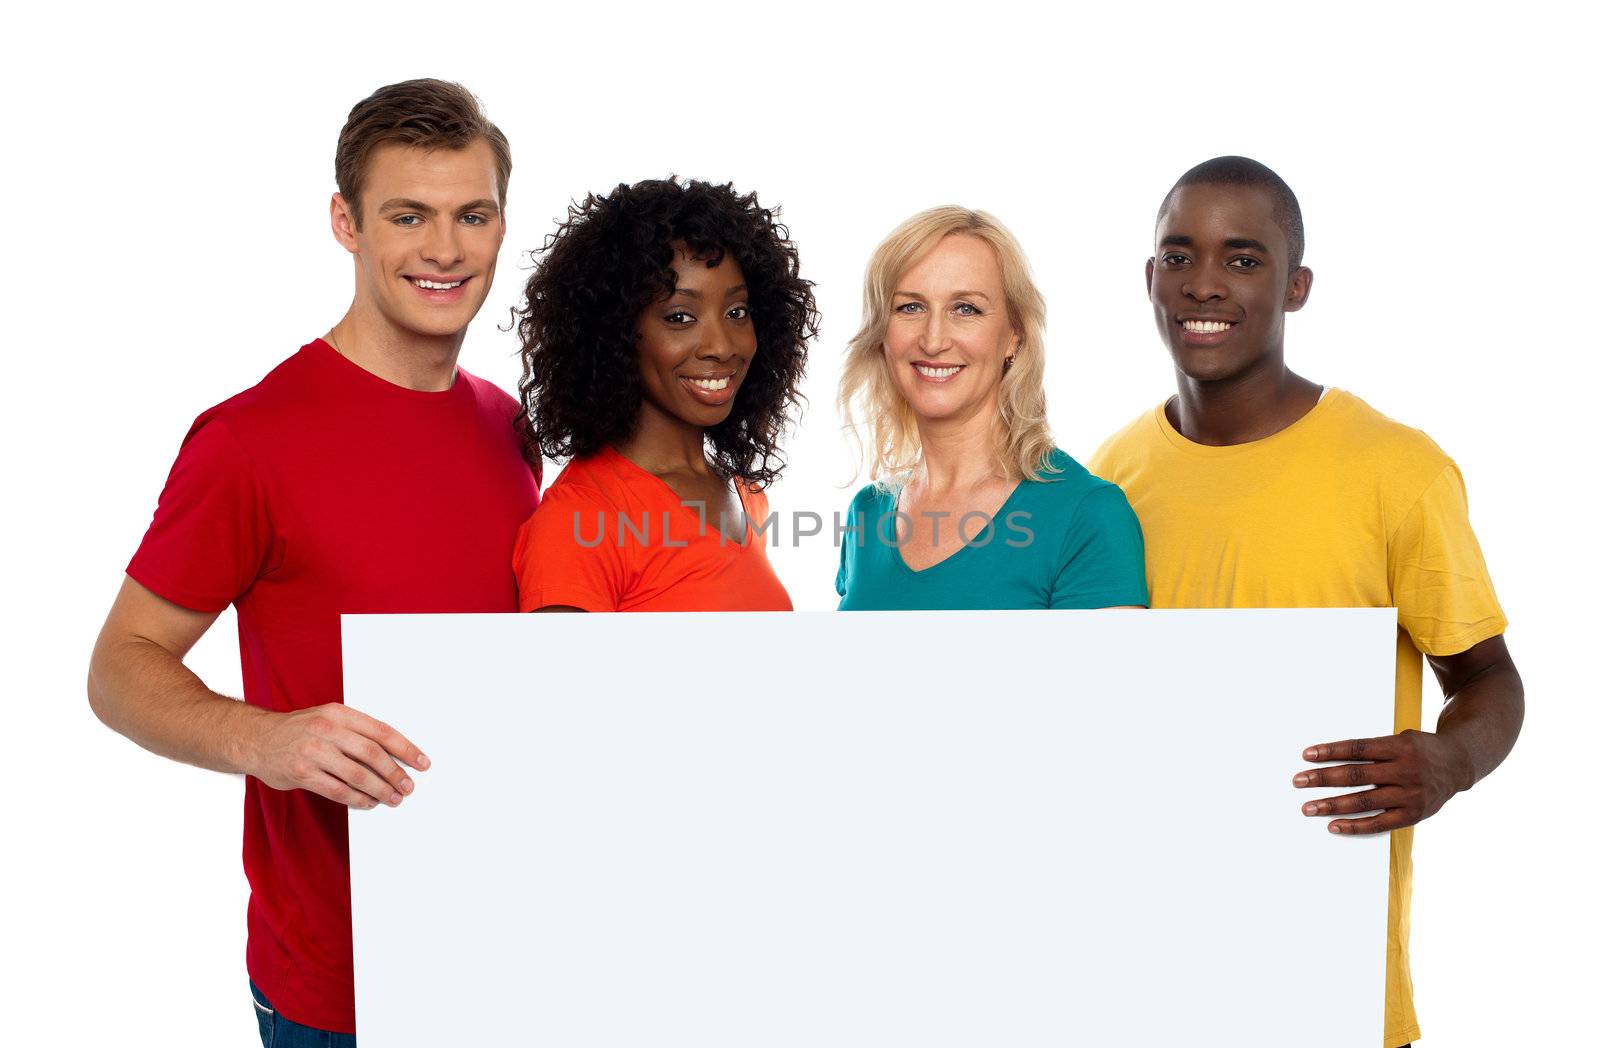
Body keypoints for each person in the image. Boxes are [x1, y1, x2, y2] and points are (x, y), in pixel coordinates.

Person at [85, 80, 537, 1045]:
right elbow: (119, 666)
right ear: (346, 222)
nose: (445, 250)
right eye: (406, 216)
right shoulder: (249, 442)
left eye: (473, 215)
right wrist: (268, 742)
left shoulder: (511, 427)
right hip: (342, 990)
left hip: (513, 956)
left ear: (502, 223)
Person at [1089, 156, 1524, 1048]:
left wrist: (1452, 761)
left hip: (1329, 993)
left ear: (1297, 287)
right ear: (1149, 279)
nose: (1204, 283)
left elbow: (1489, 678)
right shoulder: (1107, 480)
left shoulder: (1397, 471)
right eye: (1179, 256)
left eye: (1243, 259)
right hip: (1144, 983)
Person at [512, 178, 816, 612]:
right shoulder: (582, 519)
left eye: (737, 312)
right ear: (615, 333)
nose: (722, 345)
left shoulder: (745, 496)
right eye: (679, 316)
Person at [835, 207, 1147, 610]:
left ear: (1014, 335)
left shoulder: (1085, 515)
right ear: (882, 334)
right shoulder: (868, 512)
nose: (933, 340)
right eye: (910, 307)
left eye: (965, 309)